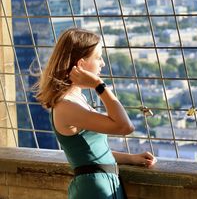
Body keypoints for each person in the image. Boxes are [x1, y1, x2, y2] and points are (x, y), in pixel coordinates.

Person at [36, 27, 157, 199]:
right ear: (81, 64)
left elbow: (90, 153)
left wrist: (131, 159)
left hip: (100, 185)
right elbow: (125, 126)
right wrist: (99, 85)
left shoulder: (75, 99)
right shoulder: (66, 106)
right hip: (95, 190)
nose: (103, 63)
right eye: (98, 57)